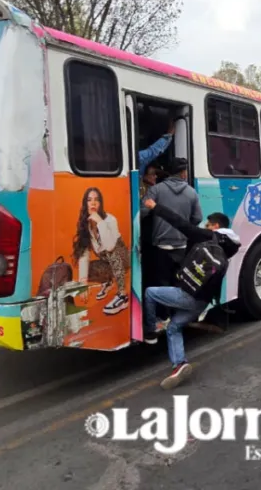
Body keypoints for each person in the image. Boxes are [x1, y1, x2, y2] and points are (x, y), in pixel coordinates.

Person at [141, 197, 241, 389]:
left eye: (208, 224)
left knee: (150, 293)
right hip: (202, 302)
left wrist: (156, 207)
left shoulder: (208, 237)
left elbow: (181, 224)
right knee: (173, 328)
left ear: (216, 226)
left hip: (187, 296)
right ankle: (180, 364)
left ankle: (150, 330)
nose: (205, 226)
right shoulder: (229, 247)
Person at [142, 157, 203, 287]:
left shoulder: (156, 190)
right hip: (181, 246)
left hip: (160, 247)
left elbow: (142, 212)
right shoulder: (192, 192)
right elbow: (198, 218)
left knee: (160, 284)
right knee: (178, 283)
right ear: (183, 173)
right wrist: (185, 227)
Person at [72, 187, 130, 315]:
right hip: (107, 263)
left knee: (111, 252)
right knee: (87, 270)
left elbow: (109, 246)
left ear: (101, 203)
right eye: (89, 200)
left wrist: (100, 222)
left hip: (122, 260)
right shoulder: (85, 224)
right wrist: (83, 283)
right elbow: (84, 253)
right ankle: (108, 282)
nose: (93, 203)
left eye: (96, 200)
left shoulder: (110, 220)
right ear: (85, 203)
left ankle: (122, 296)